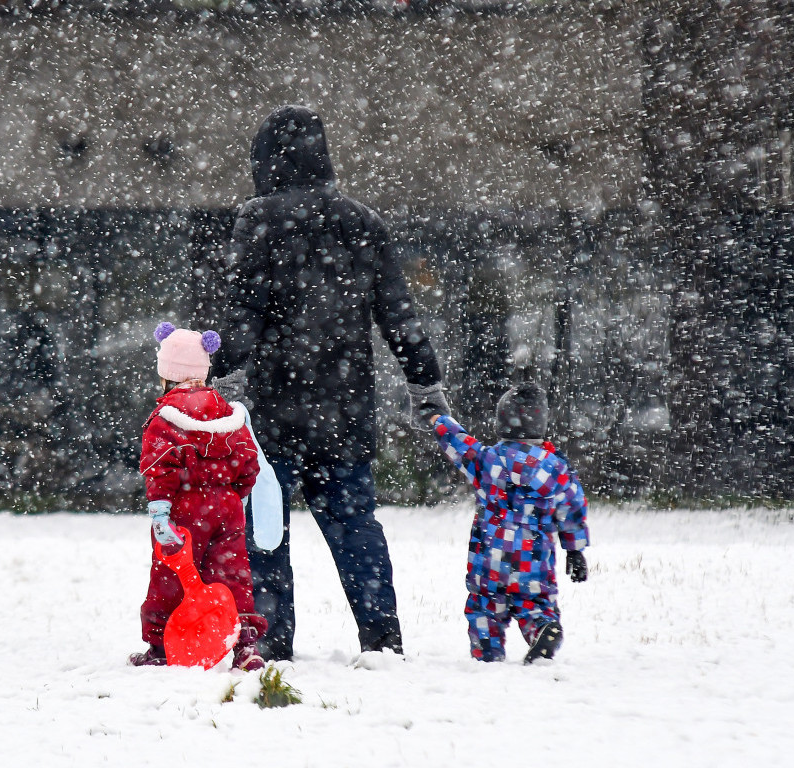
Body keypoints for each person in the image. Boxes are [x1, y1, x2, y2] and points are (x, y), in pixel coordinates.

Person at [208, 104, 451, 661]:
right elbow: (399, 314)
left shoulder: (258, 220)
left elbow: (245, 314)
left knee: (265, 529)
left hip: (273, 409)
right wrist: (426, 385)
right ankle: (381, 637)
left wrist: (216, 371)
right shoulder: (363, 222)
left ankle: (272, 639)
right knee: (355, 524)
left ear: (266, 160)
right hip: (345, 407)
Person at [130, 322, 269, 671]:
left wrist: (160, 511)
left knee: (172, 576)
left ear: (168, 374)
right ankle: (244, 644)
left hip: (184, 507)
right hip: (227, 508)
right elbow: (248, 460)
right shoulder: (226, 411)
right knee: (232, 574)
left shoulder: (166, 417)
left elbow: (160, 465)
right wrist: (235, 495)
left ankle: (162, 644)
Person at [427, 379, 590, 663]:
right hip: (534, 559)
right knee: (535, 603)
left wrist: (438, 419)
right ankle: (541, 628)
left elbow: (458, 442)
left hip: (490, 559)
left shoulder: (488, 460)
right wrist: (574, 549)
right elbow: (572, 508)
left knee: (485, 607)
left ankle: (487, 651)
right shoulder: (556, 468)